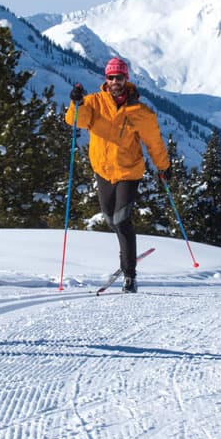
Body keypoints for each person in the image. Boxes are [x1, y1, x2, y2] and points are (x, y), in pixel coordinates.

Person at [66, 57, 170, 292]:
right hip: (103, 170)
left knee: (122, 220)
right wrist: (76, 103)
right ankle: (127, 252)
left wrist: (163, 166)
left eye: (119, 77)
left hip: (129, 171)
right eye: (111, 77)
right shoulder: (93, 102)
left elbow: (154, 142)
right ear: (106, 79)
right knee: (110, 219)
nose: (115, 81)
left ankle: (129, 274)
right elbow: (75, 121)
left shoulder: (140, 112)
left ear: (126, 79)